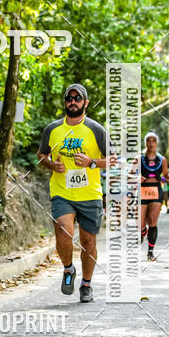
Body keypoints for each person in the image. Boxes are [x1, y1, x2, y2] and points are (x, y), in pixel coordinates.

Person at [38, 83, 116, 303]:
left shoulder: (96, 130)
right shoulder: (52, 129)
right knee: (63, 230)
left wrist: (92, 162)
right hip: (62, 192)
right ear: (65, 102)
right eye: (69, 98)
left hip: (90, 194)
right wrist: (52, 165)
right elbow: (42, 154)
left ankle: (87, 284)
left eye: (77, 98)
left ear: (85, 102)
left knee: (88, 242)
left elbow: (113, 159)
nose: (73, 102)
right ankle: (68, 268)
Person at [139, 133, 169, 261]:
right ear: (145, 143)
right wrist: (137, 178)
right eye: (148, 141)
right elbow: (130, 174)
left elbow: (166, 175)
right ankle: (142, 231)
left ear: (156, 143)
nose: (151, 144)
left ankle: (150, 252)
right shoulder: (139, 158)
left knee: (152, 221)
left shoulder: (162, 160)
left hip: (156, 190)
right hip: (142, 191)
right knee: (140, 223)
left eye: (153, 141)